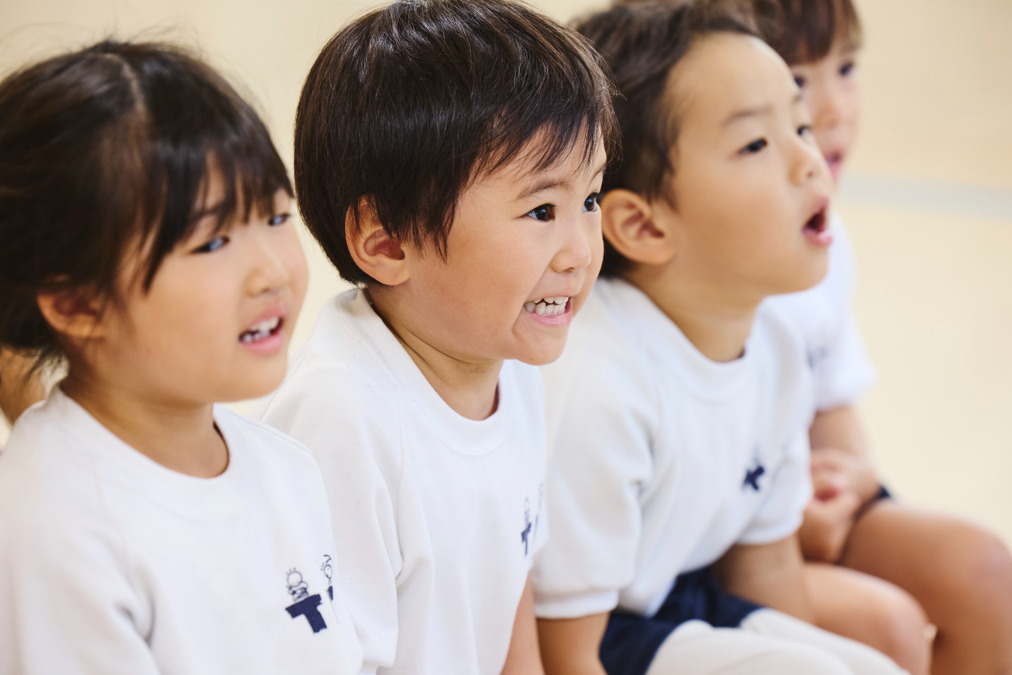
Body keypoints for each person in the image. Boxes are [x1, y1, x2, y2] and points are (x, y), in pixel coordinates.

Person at [531, 4, 907, 674]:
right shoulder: (599, 379)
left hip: (681, 600)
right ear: (644, 227)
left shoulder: (777, 348)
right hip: (594, 634)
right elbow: (562, 652)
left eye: (797, 124)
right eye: (756, 144)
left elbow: (766, 571)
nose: (809, 159)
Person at [252, 1, 616, 672]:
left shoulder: (513, 367)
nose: (581, 250)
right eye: (542, 209)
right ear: (387, 240)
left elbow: (510, 584)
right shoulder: (342, 418)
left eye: (589, 199)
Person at [0, 40, 362, 674]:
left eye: (276, 217)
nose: (273, 272)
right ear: (78, 303)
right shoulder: (48, 532)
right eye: (214, 240)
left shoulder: (286, 467)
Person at [752, 1, 1012, 672]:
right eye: (799, 80)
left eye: (846, 67)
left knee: (985, 568)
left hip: (802, 507)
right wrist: (789, 516)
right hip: (729, 538)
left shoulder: (828, 241)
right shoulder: (711, 261)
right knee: (883, 626)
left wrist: (851, 482)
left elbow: (831, 400)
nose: (833, 108)